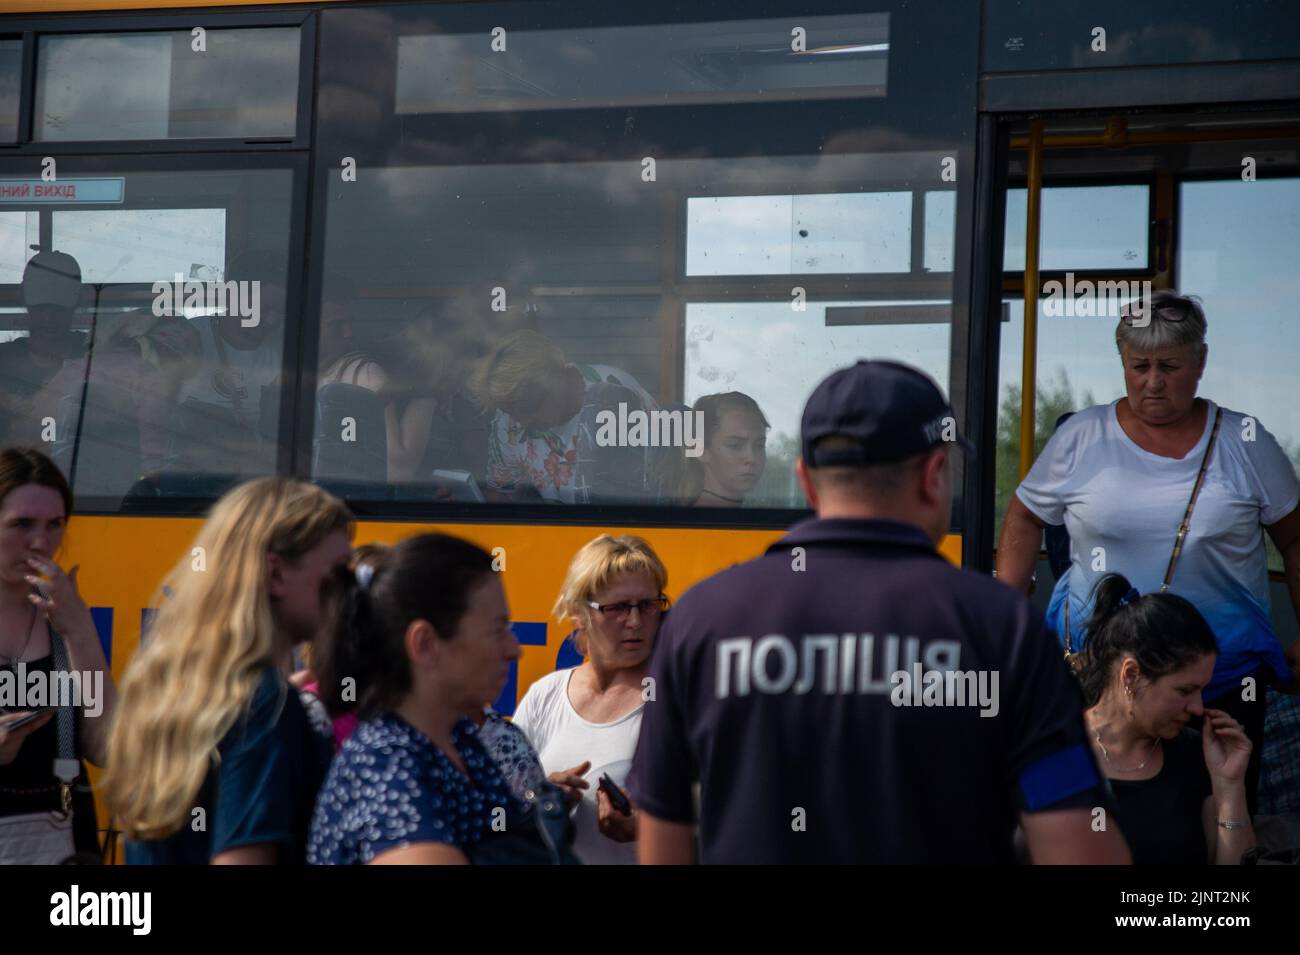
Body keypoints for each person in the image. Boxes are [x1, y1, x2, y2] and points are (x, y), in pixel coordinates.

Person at [628, 360, 1131, 864]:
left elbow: (661, 836)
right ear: (934, 475)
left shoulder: (699, 620)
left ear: (806, 480)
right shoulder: (1002, 626)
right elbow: (1078, 848)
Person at [996, 291, 1300, 813]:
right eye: (1139, 366)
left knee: (1218, 813)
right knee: (1097, 815)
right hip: (1098, 677)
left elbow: (1295, 539)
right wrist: (1002, 624)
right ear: (1122, 363)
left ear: (1200, 363)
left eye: (1169, 366)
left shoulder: (1245, 442)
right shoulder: (1081, 437)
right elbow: (1024, 518)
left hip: (1218, 682)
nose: (1153, 381)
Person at [105, 478, 352, 864]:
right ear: (276, 574)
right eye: (338, 572)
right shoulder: (263, 702)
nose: (348, 590)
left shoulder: (170, 685)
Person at [307, 534, 530, 865]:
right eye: (497, 630)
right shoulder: (384, 765)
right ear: (425, 644)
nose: (515, 649)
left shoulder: (460, 740)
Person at [1078, 573, 1255, 864]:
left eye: (1202, 690)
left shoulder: (1193, 755)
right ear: (1131, 675)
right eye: (1185, 690)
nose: (1198, 708)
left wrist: (1229, 786)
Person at [512, 534, 667, 864]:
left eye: (648, 605)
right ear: (577, 613)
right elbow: (499, 810)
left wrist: (648, 827)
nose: (636, 621)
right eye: (618, 608)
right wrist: (543, 798)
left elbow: (731, 811)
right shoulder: (545, 695)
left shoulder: (677, 700)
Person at [0, 448, 116, 863]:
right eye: (22, 524)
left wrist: (79, 628)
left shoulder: (63, 617)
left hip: (59, 843)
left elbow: (105, 746)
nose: (41, 542)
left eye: (55, 525)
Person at [474, 330, 659, 504]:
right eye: (509, 411)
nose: (522, 422)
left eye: (529, 407)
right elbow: (502, 494)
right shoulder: (510, 419)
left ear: (556, 378)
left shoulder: (615, 393)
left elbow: (654, 481)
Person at [175, 249, 288, 474]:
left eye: (280, 311)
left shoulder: (279, 354)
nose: (272, 320)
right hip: (183, 472)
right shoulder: (188, 337)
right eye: (264, 309)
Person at [0, 250, 87, 448]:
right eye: (40, 308)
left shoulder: (97, 355)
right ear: (22, 298)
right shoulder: (2, 362)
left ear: (78, 301)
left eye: (58, 309)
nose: (49, 318)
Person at [692, 392, 769, 507]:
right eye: (735, 445)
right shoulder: (688, 522)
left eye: (759, 445)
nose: (752, 458)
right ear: (701, 449)